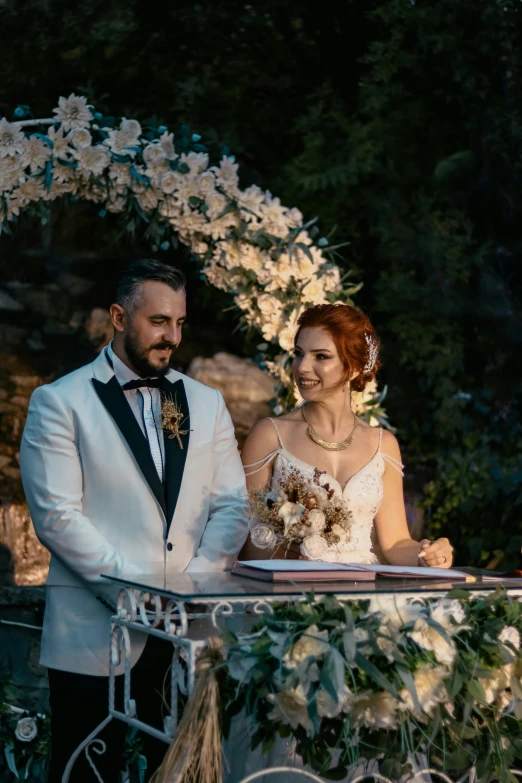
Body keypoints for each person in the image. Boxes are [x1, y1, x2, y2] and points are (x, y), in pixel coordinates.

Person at [20, 259, 249, 782]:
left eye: (180, 323)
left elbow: (233, 504)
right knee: (83, 774)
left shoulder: (207, 403)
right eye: (158, 322)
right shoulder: (59, 402)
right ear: (120, 318)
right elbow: (57, 517)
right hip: (94, 636)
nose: (172, 337)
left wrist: (194, 588)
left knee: (177, 774)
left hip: (187, 636)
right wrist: (139, 598)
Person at [240, 302, 453, 567]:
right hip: (291, 595)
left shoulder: (383, 445)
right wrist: (291, 554)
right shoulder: (270, 435)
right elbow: (246, 539)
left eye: (320, 356)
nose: (302, 367)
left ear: (353, 367)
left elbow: (396, 543)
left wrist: (428, 554)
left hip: (363, 597)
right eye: (298, 353)